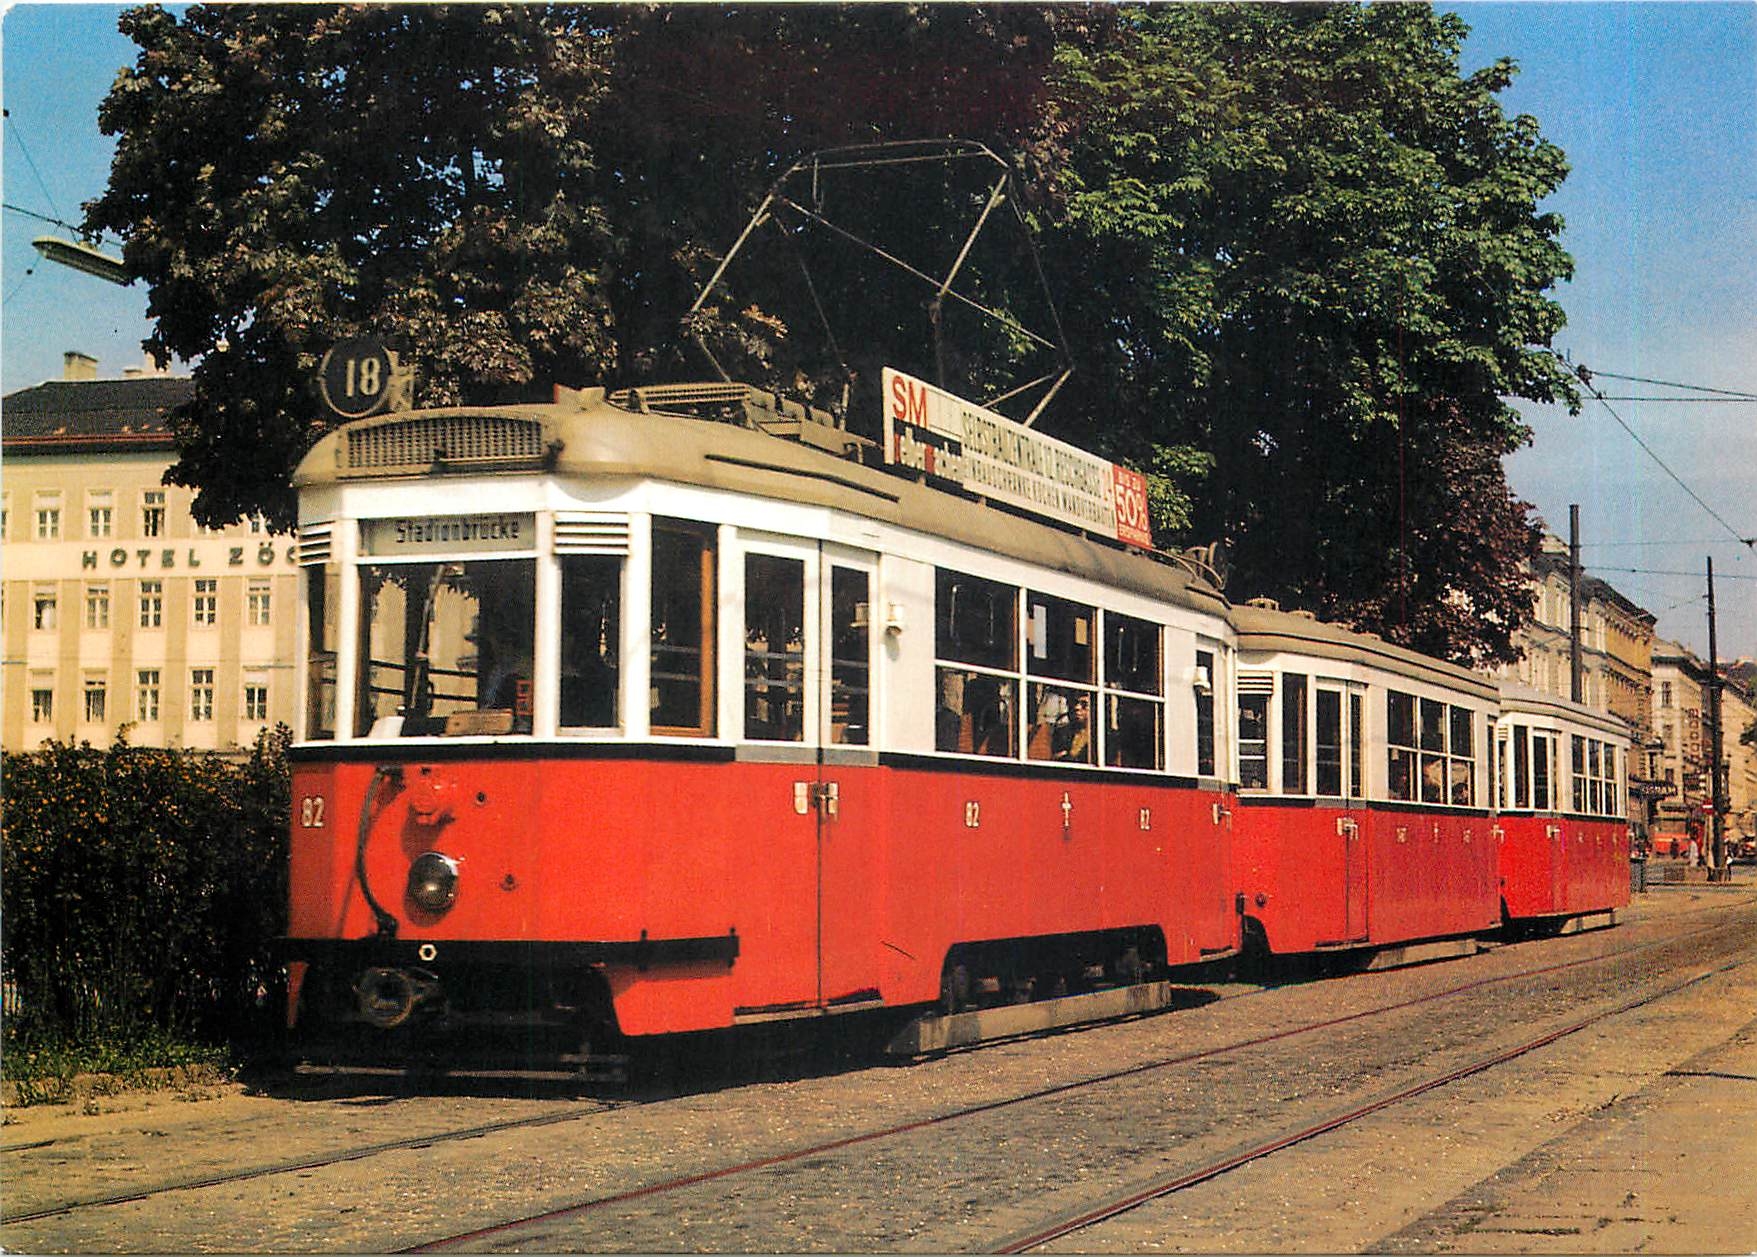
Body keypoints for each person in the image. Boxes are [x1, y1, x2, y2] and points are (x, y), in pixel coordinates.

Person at [1053, 693, 1092, 762]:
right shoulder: (1061, 733)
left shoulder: (1104, 736)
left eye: (1084, 704)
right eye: (1074, 703)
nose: (1077, 707)